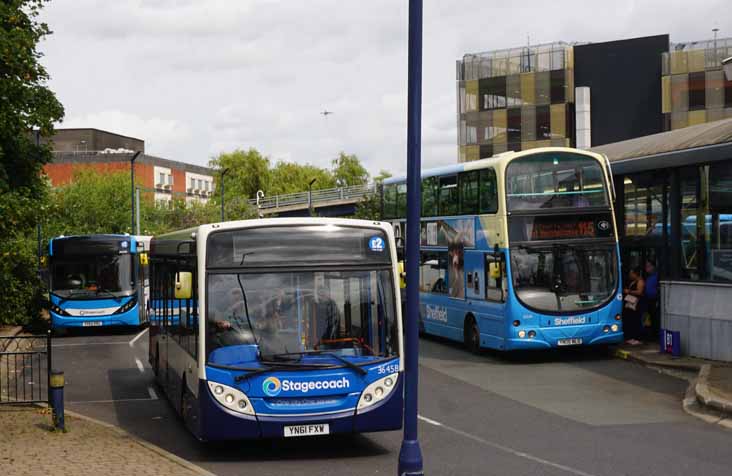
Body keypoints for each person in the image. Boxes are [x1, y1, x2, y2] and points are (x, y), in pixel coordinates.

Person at [622, 267, 645, 345]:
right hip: (630, 302)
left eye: (631, 273)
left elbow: (639, 292)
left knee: (635, 319)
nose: (630, 275)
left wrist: (629, 291)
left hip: (636, 303)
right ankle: (630, 337)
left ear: (636, 274)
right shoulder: (633, 281)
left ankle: (635, 337)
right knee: (629, 319)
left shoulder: (640, 281)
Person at [643, 260, 659, 340]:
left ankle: (655, 335)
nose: (647, 268)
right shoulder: (648, 277)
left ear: (653, 267)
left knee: (655, 318)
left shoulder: (657, 276)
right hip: (647, 300)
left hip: (654, 300)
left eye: (649, 266)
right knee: (648, 318)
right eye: (646, 266)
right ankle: (649, 335)